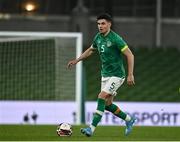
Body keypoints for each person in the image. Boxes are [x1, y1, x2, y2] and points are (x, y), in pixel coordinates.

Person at [67, 13, 136, 137]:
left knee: (101, 96)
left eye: (103, 23)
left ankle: (91, 129)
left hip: (117, 75)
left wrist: (130, 74)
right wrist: (77, 60)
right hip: (105, 75)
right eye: (98, 24)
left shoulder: (116, 39)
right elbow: (90, 50)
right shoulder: (98, 37)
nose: (100, 26)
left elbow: (130, 55)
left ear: (109, 24)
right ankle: (129, 120)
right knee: (108, 105)